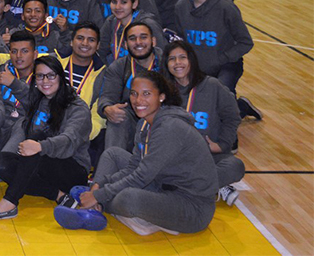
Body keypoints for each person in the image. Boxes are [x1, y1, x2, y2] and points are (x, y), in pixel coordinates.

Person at [58, 71, 218, 236]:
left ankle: (95, 205)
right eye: (134, 94)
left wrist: (99, 195)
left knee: (128, 199)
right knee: (113, 154)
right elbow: (133, 166)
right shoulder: (144, 123)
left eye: (146, 94)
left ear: (161, 96)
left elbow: (142, 176)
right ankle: (93, 202)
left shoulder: (170, 127)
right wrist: (100, 186)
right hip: (162, 185)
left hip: (193, 207)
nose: (138, 100)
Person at [0, 56, 90, 220]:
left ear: (61, 78)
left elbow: (69, 140)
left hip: (72, 170)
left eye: (51, 75)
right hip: (42, 164)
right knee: (0, 162)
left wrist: (41, 147)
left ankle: (10, 202)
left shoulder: (78, 109)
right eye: (40, 76)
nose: (45, 81)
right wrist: (11, 80)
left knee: (36, 138)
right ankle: (57, 194)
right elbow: (25, 93)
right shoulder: (40, 99)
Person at [174, 0, 258, 119]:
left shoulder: (226, 7)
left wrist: (221, 59)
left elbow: (246, 42)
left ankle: (232, 120)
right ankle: (242, 106)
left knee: (219, 96)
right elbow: (181, 40)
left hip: (225, 66)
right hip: (195, 67)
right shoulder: (181, 7)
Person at [163, 41, 245, 205]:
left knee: (235, 166)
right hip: (174, 158)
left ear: (191, 60)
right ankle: (212, 186)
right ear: (166, 64)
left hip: (208, 156)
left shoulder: (212, 85)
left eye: (182, 57)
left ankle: (187, 188)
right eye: (172, 59)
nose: (177, 63)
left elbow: (233, 115)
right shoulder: (163, 90)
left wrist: (222, 144)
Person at [96, 22, 162, 151]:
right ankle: (113, 166)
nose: (138, 42)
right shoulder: (118, 67)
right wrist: (107, 108)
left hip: (162, 117)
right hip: (132, 118)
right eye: (132, 38)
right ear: (125, 44)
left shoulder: (166, 62)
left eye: (143, 37)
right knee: (119, 117)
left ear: (153, 41)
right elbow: (106, 97)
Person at [57, 22, 106, 165]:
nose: (85, 43)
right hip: (50, 122)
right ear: (72, 42)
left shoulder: (103, 74)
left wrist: (82, 134)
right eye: (80, 38)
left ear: (98, 46)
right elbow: (22, 56)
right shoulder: (55, 60)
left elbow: (98, 115)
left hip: (81, 131)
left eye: (91, 40)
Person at [98, 0, 166, 65]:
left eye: (123, 2)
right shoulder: (111, 21)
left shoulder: (148, 24)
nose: (118, 7)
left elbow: (162, 57)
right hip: (119, 73)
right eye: (114, 2)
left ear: (134, 4)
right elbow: (100, 51)